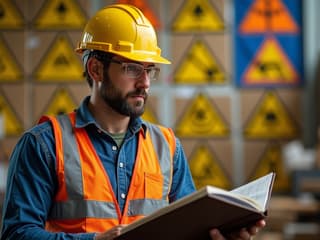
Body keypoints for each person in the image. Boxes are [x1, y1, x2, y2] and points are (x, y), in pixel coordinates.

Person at [0, 4, 265, 240]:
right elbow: (17, 233)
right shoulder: (44, 144)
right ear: (96, 69)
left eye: (149, 70)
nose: (145, 83)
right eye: (132, 68)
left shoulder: (167, 147)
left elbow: (189, 230)